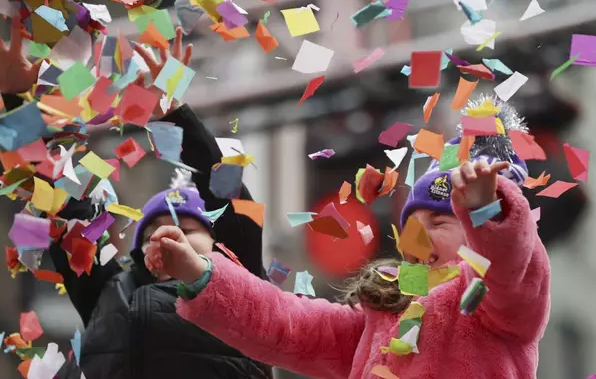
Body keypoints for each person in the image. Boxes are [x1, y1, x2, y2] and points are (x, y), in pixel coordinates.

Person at [144, 97, 551, 379]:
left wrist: (486, 210)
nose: (420, 238)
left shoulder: (499, 305)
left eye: (442, 223)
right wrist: (199, 273)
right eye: (414, 223)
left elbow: (510, 268)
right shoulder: (382, 314)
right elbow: (286, 325)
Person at [0, 16, 271, 379]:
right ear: (140, 254)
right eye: (154, 230)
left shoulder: (241, 282)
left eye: (187, 229)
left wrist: (174, 116)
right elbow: (58, 201)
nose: (170, 235)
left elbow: (231, 197)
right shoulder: (109, 291)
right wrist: (15, 98)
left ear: (223, 244)